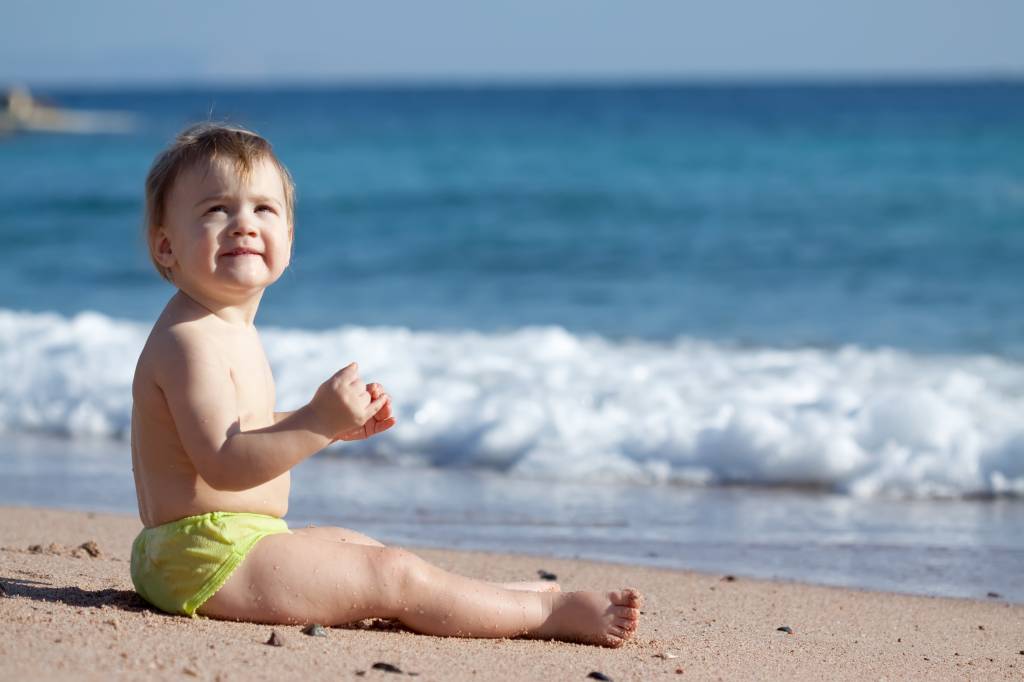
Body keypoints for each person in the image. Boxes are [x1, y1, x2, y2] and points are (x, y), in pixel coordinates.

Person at [129, 122, 642, 647]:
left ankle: (489, 599)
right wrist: (315, 422)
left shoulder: (223, 328)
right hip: (202, 558)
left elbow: (243, 430)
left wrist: (325, 427)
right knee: (392, 575)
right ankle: (546, 613)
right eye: (217, 209)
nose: (244, 225)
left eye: (263, 209)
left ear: (289, 239)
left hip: (223, 544)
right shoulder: (189, 341)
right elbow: (223, 462)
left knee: (359, 548)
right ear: (166, 246)